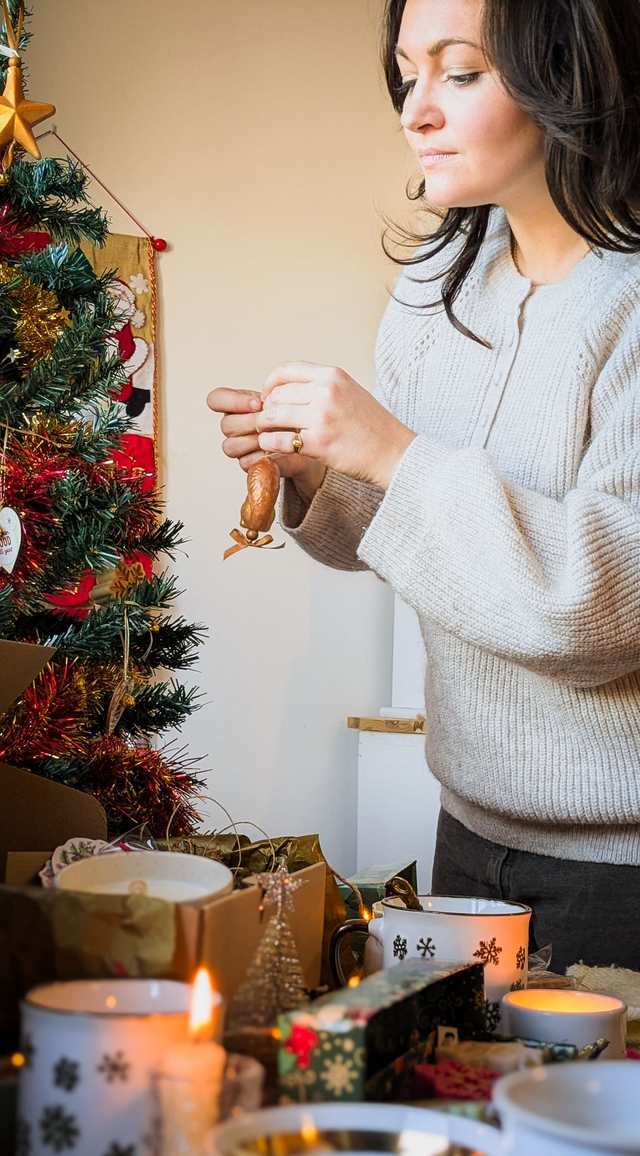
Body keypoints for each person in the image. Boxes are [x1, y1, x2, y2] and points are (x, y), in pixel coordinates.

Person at [208, 0, 640, 973]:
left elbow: (600, 610)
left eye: (461, 71)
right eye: (408, 75)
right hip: (466, 831)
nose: (416, 111)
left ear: (568, 72)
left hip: (622, 872)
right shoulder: (432, 285)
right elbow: (412, 541)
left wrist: (395, 453)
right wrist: (323, 471)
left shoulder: (628, 304)